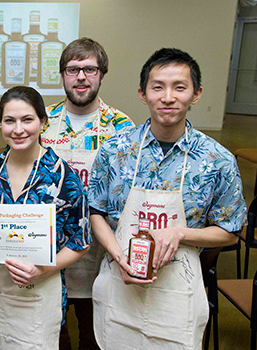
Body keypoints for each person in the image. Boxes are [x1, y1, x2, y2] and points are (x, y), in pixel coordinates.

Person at [88, 48, 247, 349]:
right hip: (119, 282)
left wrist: (179, 233)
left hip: (178, 292)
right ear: (143, 93)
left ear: (196, 94)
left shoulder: (217, 160)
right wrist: (117, 255)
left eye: (180, 87)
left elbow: (230, 232)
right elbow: (95, 212)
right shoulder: (115, 150)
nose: (168, 97)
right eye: (157, 87)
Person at [0, 86, 90, 349]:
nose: (18, 129)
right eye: (9, 120)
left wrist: (44, 269)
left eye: (27, 120)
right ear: (1, 123)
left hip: (39, 293)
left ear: (43, 122)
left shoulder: (62, 176)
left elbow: (81, 240)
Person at [40, 37, 134, 349]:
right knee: (55, 334)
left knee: (95, 335)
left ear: (102, 74)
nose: (81, 77)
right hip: (50, 250)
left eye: (89, 69)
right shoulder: (43, 122)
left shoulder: (121, 127)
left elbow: (126, 196)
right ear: (63, 74)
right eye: (73, 69)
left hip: (100, 251)